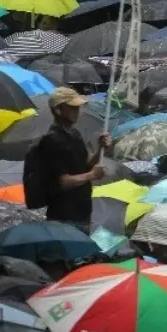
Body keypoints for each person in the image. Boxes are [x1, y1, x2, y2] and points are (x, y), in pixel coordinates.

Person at [33, 87, 111, 227]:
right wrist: (92, 175)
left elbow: (84, 165)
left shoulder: (75, 134)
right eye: (72, 107)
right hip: (64, 217)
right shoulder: (52, 141)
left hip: (83, 212)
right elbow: (63, 181)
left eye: (78, 107)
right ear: (58, 110)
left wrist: (100, 149)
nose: (77, 111)